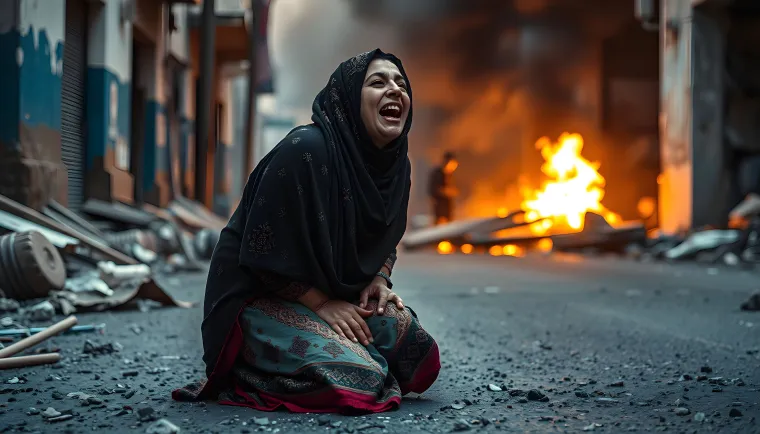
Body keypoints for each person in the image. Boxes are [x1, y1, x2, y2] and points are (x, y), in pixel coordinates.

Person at [173, 49, 440, 414]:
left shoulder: (396, 165)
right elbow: (260, 252)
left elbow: (385, 236)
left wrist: (379, 278)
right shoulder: (304, 150)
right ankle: (244, 371)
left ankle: (342, 350)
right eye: (378, 82)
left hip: (336, 295)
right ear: (348, 99)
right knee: (361, 381)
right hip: (257, 299)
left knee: (417, 352)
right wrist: (322, 305)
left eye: (401, 84)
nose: (395, 90)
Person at [428, 151, 459, 224]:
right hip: (440, 210)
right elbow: (432, 190)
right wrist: (446, 191)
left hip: (448, 210)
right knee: (440, 228)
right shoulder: (437, 174)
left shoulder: (450, 176)